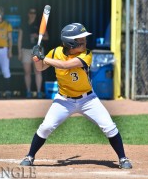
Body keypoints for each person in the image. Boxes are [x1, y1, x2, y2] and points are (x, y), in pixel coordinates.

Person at [19, 23, 132, 169]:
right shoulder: (55, 52)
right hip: (64, 100)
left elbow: (66, 65)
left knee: (109, 126)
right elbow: (40, 68)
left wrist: (43, 58)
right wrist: (37, 59)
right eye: (80, 39)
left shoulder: (86, 54)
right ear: (70, 42)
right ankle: (30, 156)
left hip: (88, 100)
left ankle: (123, 158)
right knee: (46, 127)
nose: (84, 41)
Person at [17, 8, 49, 98]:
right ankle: (28, 91)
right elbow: (19, 39)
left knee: (38, 71)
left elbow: (46, 37)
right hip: (26, 50)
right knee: (27, 72)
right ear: (28, 14)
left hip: (37, 50)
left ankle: (39, 92)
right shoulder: (23, 24)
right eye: (31, 12)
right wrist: (19, 52)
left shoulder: (40, 24)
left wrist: (38, 36)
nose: (32, 14)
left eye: (34, 13)